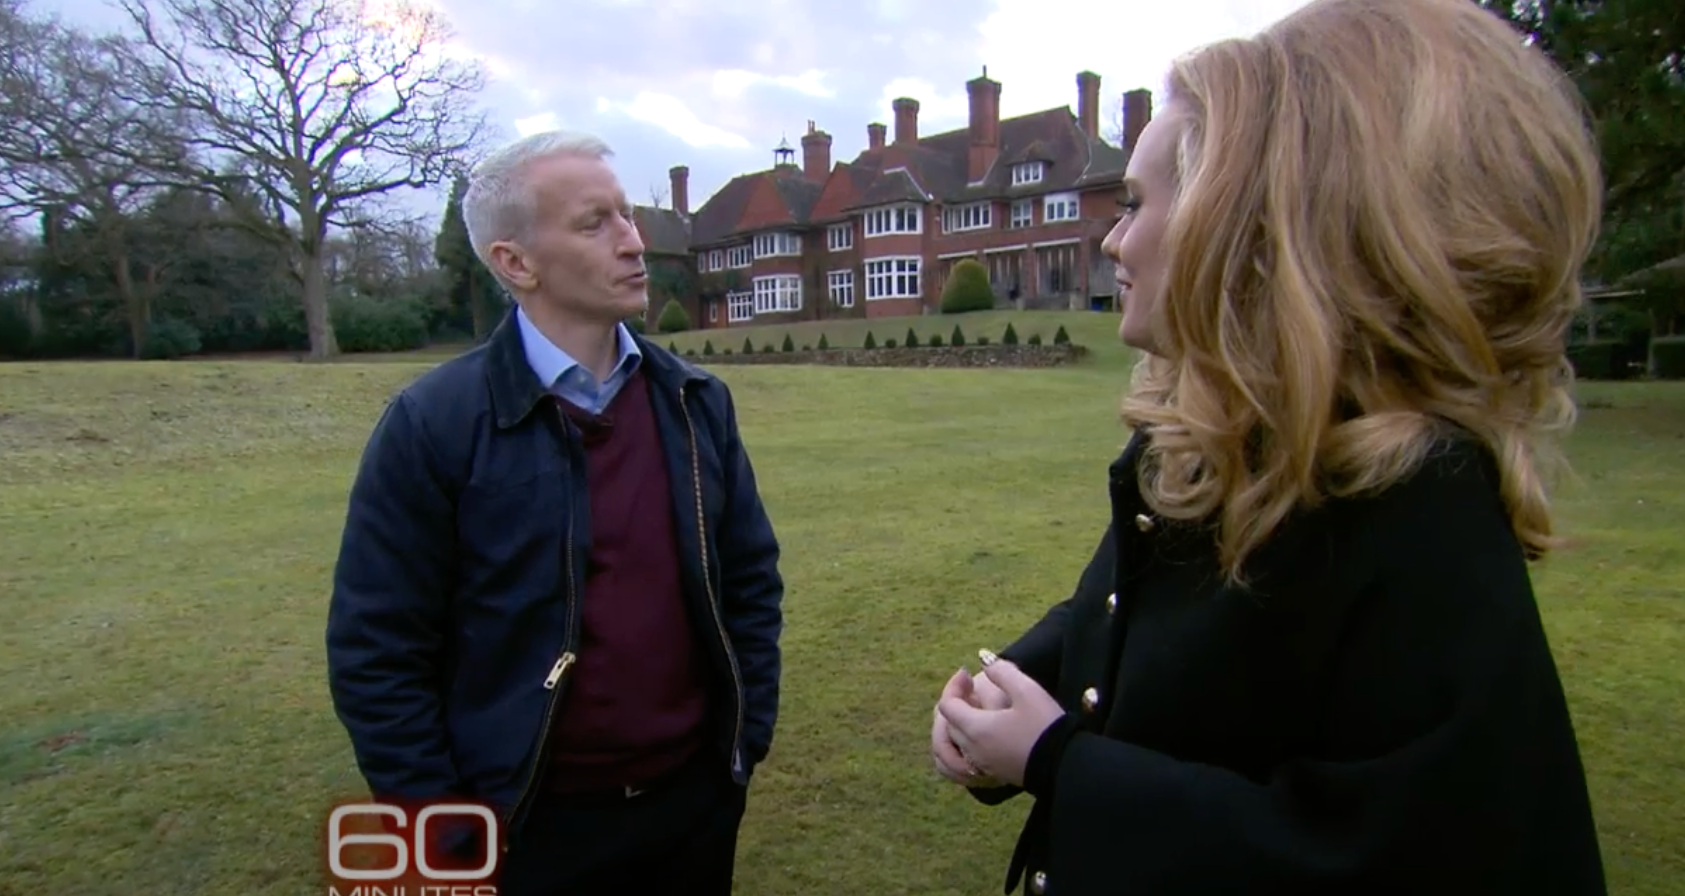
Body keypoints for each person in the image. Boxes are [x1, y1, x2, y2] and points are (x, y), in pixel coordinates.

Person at [930, 0, 1610, 893]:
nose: (1112, 239)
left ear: (1257, 227)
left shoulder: (1415, 506)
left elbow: (1372, 854)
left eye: (1137, 205)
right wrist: (1017, 685)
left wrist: (1058, 761)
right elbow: (1137, 619)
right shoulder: (1216, 447)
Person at [325, 130, 785, 895]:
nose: (634, 242)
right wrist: (445, 829)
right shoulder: (432, 424)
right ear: (515, 262)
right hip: (525, 828)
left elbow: (750, 582)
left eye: (628, 216)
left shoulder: (695, 400)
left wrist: (744, 742)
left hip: (692, 809)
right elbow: (378, 652)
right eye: (594, 223)